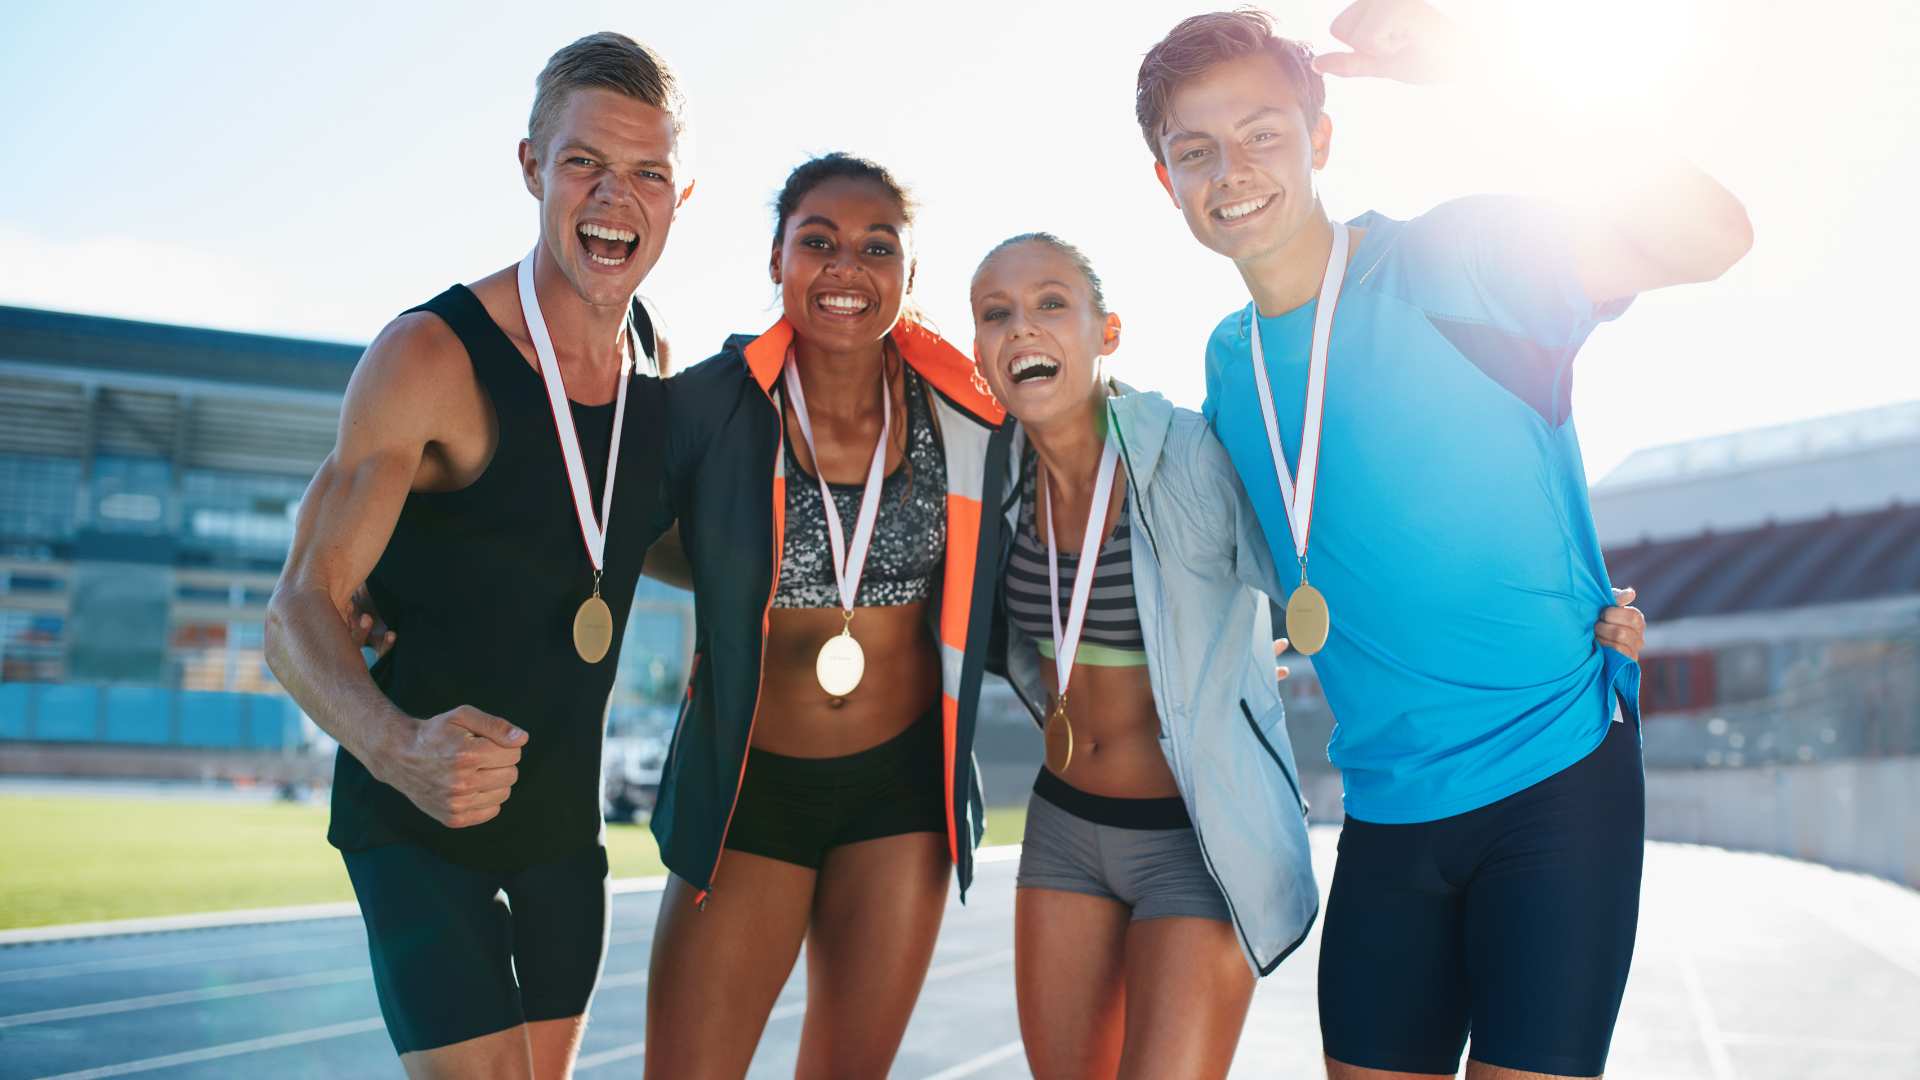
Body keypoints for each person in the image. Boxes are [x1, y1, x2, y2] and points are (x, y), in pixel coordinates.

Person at [1136, 4, 1748, 1077]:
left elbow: (1714, 238)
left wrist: (1491, 75)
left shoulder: (1467, 258)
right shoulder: (1228, 367)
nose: (1232, 169)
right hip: (1387, 808)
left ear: (1321, 139)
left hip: (1553, 781)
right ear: (1166, 180)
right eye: (1197, 150)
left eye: (1264, 134)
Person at [963, 234, 1647, 1079]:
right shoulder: (986, 480)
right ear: (978, 352)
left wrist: (1568, 614)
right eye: (997, 314)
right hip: (1063, 827)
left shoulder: (1186, 454)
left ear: (1107, 331)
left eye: (1051, 304)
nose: (1022, 328)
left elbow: (1325, 557)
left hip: (1195, 837)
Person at [264, 32, 689, 1078]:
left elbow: (631, 542)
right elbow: (298, 608)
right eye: (585, 161)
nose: (614, 197)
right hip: (414, 821)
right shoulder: (429, 354)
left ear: (681, 196)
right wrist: (394, 745)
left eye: (648, 173)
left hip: (559, 828)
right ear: (532, 166)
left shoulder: (653, 368)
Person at [642, 153, 1006, 1079]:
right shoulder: (711, 406)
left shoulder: (967, 410)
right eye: (819, 242)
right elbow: (581, 517)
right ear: (776, 260)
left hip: (902, 794)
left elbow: (1083, 489)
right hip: (749, 789)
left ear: (909, 275)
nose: (847, 267)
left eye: (877, 247)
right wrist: (390, 592)